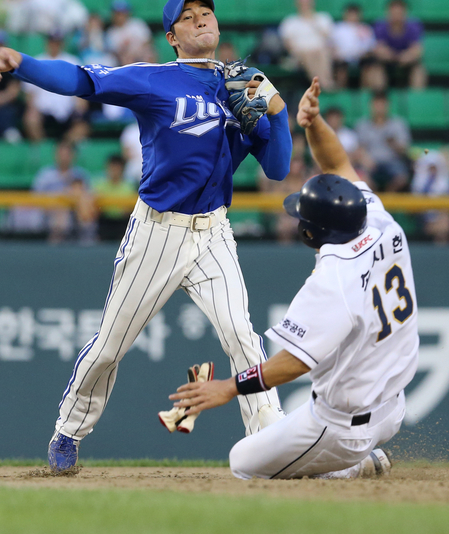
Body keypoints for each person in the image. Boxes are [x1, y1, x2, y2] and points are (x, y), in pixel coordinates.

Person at [0, 0, 293, 471]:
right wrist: (21, 63)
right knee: (112, 343)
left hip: (214, 229)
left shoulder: (240, 88)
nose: (201, 20)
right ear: (172, 37)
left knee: (242, 335)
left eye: (206, 13)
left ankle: (272, 441)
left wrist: (277, 114)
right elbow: (83, 81)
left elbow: (277, 168)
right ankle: (69, 430)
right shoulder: (153, 80)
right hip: (159, 230)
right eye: (188, 17)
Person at [170, 76, 419, 480]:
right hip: (392, 403)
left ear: (310, 233)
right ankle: (354, 458)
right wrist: (313, 123)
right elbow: (338, 165)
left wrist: (229, 388)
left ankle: (350, 467)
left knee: (244, 463)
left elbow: (293, 363)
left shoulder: (334, 276)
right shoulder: (377, 219)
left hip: (343, 427)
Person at [22, 33, 90, 143]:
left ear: (62, 43)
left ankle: (64, 147)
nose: (54, 45)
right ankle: (44, 149)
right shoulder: (37, 61)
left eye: (57, 42)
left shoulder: (73, 61)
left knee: (83, 125)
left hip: (69, 111)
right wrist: (32, 108)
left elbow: (82, 91)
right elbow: (29, 94)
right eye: (52, 42)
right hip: (43, 111)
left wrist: (80, 108)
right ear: (47, 43)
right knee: (31, 119)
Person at [278, 0, 334, 90]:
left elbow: (328, 38)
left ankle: (321, 83)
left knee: (322, 52)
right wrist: (298, 52)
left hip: (320, 52)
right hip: (299, 54)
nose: (304, 4)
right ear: (297, 3)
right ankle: (324, 84)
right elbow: (288, 44)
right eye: (302, 1)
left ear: (312, 1)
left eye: (307, 0)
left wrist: (312, 21)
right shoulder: (290, 21)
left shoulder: (323, 18)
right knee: (308, 54)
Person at [355, 91, 411, 192]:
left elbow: (405, 150)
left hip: (392, 161)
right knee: (361, 177)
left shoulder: (398, 124)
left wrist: (394, 143)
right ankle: (375, 199)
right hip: (371, 162)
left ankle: (387, 199)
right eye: (377, 104)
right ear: (371, 105)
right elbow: (359, 149)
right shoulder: (362, 124)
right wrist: (364, 158)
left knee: (401, 177)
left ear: (388, 105)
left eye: (382, 104)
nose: (379, 108)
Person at [370, 0, 426, 90]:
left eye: (399, 13)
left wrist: (406, 57)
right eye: (394, 13)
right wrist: (391, 56)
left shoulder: (414, 26)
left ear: (405, 13)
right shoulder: (380, 25)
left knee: (419, 70)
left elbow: (417, 49)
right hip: (387, 61)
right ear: (388, 12)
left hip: (407, 61)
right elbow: (379, 49)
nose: (396, 16)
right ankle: (380, 97)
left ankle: (417, 99)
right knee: (376, 69)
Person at [331, 4, 375, 89]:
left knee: (369, 64)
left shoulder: (365, 28)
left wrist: (363, 54)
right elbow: (332, 46)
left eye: (355, 14)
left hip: (361, 57)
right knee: (340, 67)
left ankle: (365, 92)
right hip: (343, 58)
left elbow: (370, 47)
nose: (353, 16)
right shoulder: (338, 28)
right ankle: (340, 91)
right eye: (350, 14)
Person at [94, 154, 137, 241]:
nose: (114, 171)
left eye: (117, 168)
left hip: (123, 222)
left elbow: (129, 210)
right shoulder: (99, 185)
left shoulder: (128, 187)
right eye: (112, 167)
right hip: (104, 220)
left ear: (122, 169)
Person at [105, 0, 155, 66]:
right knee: (126, 58)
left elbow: (148, 41)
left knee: (149, 53)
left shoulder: (137, 24)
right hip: (124, 58)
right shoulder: (111, 32)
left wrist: (138, 51)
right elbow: (116, 53)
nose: (120, 16)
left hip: (140, 52)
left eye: (122, 13)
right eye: (117, 13)